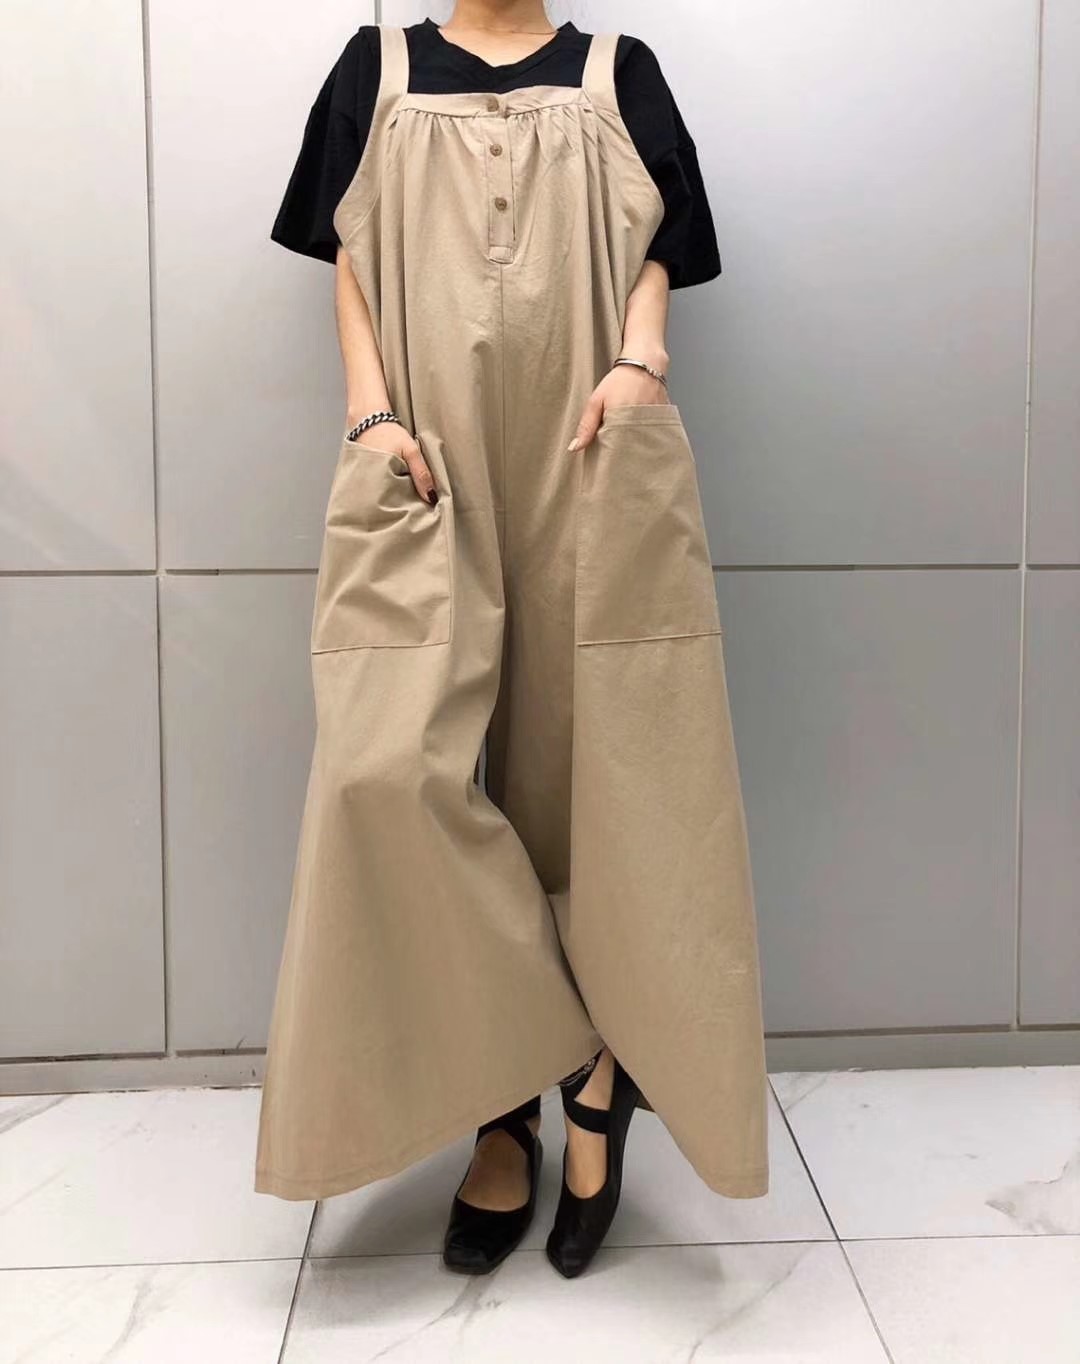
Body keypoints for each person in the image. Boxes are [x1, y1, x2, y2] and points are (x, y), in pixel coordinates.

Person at [254, 2, 770, 1280]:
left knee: (587, 786)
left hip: (590, 453)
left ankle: (536, 1115)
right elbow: (348, 257)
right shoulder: (376, 69)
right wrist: (369, 412)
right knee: (389, 771)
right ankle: (562, 1052)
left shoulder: (618, 74)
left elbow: (665, 245)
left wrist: (642, 360)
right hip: (419, 463)